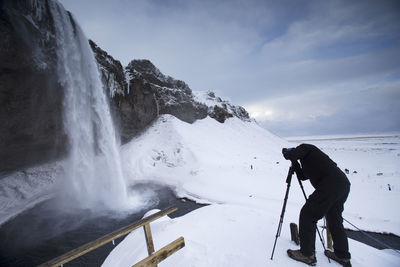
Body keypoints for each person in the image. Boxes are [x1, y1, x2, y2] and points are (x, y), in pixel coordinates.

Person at [282, 144, 351, 267]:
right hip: (342, 184)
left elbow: (295, 153)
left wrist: (289, 154)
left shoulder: (306, 148)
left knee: (308, 215)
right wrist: (295, 163)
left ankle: (307, 254)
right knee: (334, 219)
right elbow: (303, 176)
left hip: (330, 185)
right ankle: (342, 256)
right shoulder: (309, 161)